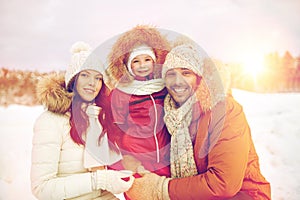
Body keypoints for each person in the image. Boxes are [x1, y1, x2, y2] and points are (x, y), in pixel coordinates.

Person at [126, 43, 271, 199]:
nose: (177, 81)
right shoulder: (170, 115)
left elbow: (224, 183)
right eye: (170, 74)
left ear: (199, 77)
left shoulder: (224, 110)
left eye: (186, 73)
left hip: (243, 195)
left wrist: (161, 188)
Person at [30, 41, 134, 200]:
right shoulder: (51, 121)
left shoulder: (98, 117)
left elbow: (111, 165)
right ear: (72, 79)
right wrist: (99, 180)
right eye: (85, 75)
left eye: (98, 78)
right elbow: (41, 188)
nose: (92, 83)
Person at [106, 25, 171, 178]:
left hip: (166, 159)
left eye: (147, 59)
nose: (143, 65)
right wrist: (127, 159)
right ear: (128, 65)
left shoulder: (164, 86)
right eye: (136, 61)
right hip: (138, 159)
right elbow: (114, 130)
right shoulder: (121, 93)